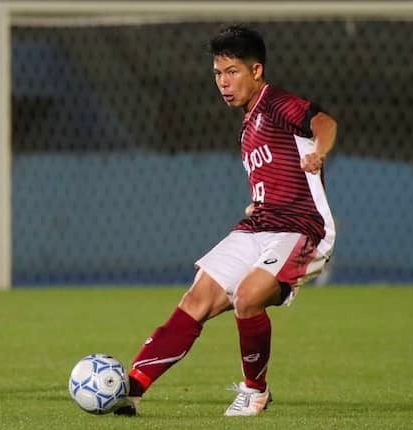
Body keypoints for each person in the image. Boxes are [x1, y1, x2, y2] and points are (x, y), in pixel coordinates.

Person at [115, 24, 337, 417]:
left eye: (232, 71)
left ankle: (255, 391)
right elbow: (275, 176)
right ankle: (130, 388)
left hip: (303, 230)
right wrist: (258, 203)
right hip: (261, 225)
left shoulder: (275, 102)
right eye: (218, 73)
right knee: (196, 300)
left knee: (248, 297)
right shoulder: (248, 125)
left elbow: (324, 122)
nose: (223, 82)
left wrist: (318, 151)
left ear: (256, 70)